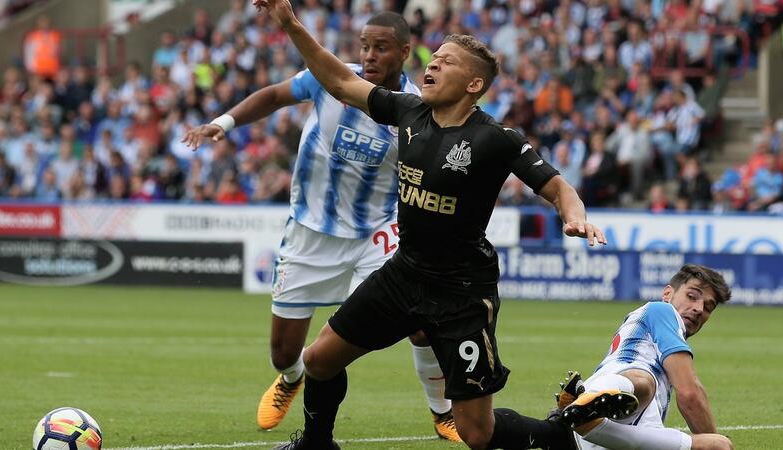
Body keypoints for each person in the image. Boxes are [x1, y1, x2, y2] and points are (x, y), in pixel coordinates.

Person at [250, 1, 637, 449]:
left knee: (477, 434)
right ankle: (316, 444)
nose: (432, 65)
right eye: (433, 58)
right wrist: (291, 25)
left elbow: (556, 187)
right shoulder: (408, 112)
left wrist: (575, 218)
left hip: (461, 294)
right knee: (318, 361)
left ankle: (560, 431)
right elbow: (338, 80)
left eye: (447, 62)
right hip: (404, 274)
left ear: (474, 84)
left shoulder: (497, 137)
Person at [182, 11, 462, 442]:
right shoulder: (331, 78)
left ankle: (442, 411)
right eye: (365, 45)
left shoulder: (417, 109)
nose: (369, 55)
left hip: (377, 232)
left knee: (420, 322)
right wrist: (222, 123)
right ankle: (292, 378)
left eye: (381, 47)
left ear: (405, 51)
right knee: (282, 354)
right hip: (311, 231)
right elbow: (275, 95)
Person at [557, 264, 735, 450]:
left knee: (719, 445)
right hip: (603, 415)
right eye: (692, 296)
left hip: (616, 434)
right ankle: (587, 398)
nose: (699, 309)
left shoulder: (659, 349)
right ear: (667, 294)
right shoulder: (662, 311)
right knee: (643, 383)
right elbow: (690, 394)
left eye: (708, 307)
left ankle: (581, 405)